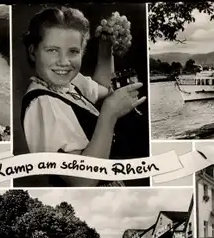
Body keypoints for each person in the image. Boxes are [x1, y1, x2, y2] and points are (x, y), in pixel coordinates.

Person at [21, 7, 146, 187]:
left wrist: (106, 48)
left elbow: (102, 88)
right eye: (52, 50)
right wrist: (109, 114)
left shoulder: (66, 82)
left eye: (73, 51)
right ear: (33, 51)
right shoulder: (42, 103)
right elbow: (82, 179)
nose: (64, 62)